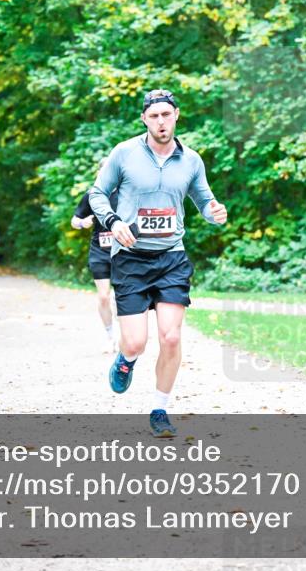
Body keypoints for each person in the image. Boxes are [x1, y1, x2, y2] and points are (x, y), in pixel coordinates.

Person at [89, 89, 227, 438]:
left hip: (171, 258)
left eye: (166, 114)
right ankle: (126, 360)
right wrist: (114, 222)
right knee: (135, 342)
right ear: (144, 119)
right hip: (131, 259)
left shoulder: (192, 160)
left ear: (176, 115)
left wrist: (215, 213)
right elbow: (97, 194)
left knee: (171, 336)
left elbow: (204, 201)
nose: (161, 122)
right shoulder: (124, 154)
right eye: (154, 116)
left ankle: (160, 409)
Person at [71, 158, 120, 354]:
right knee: (103, 297)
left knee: (122, 297)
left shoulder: (126, 194)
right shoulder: (91, 196)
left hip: (122, 252)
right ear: (99, 174)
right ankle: (110, 336)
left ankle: (125, 335)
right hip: (99, 252)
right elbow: (75, 220)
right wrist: (84, 223)